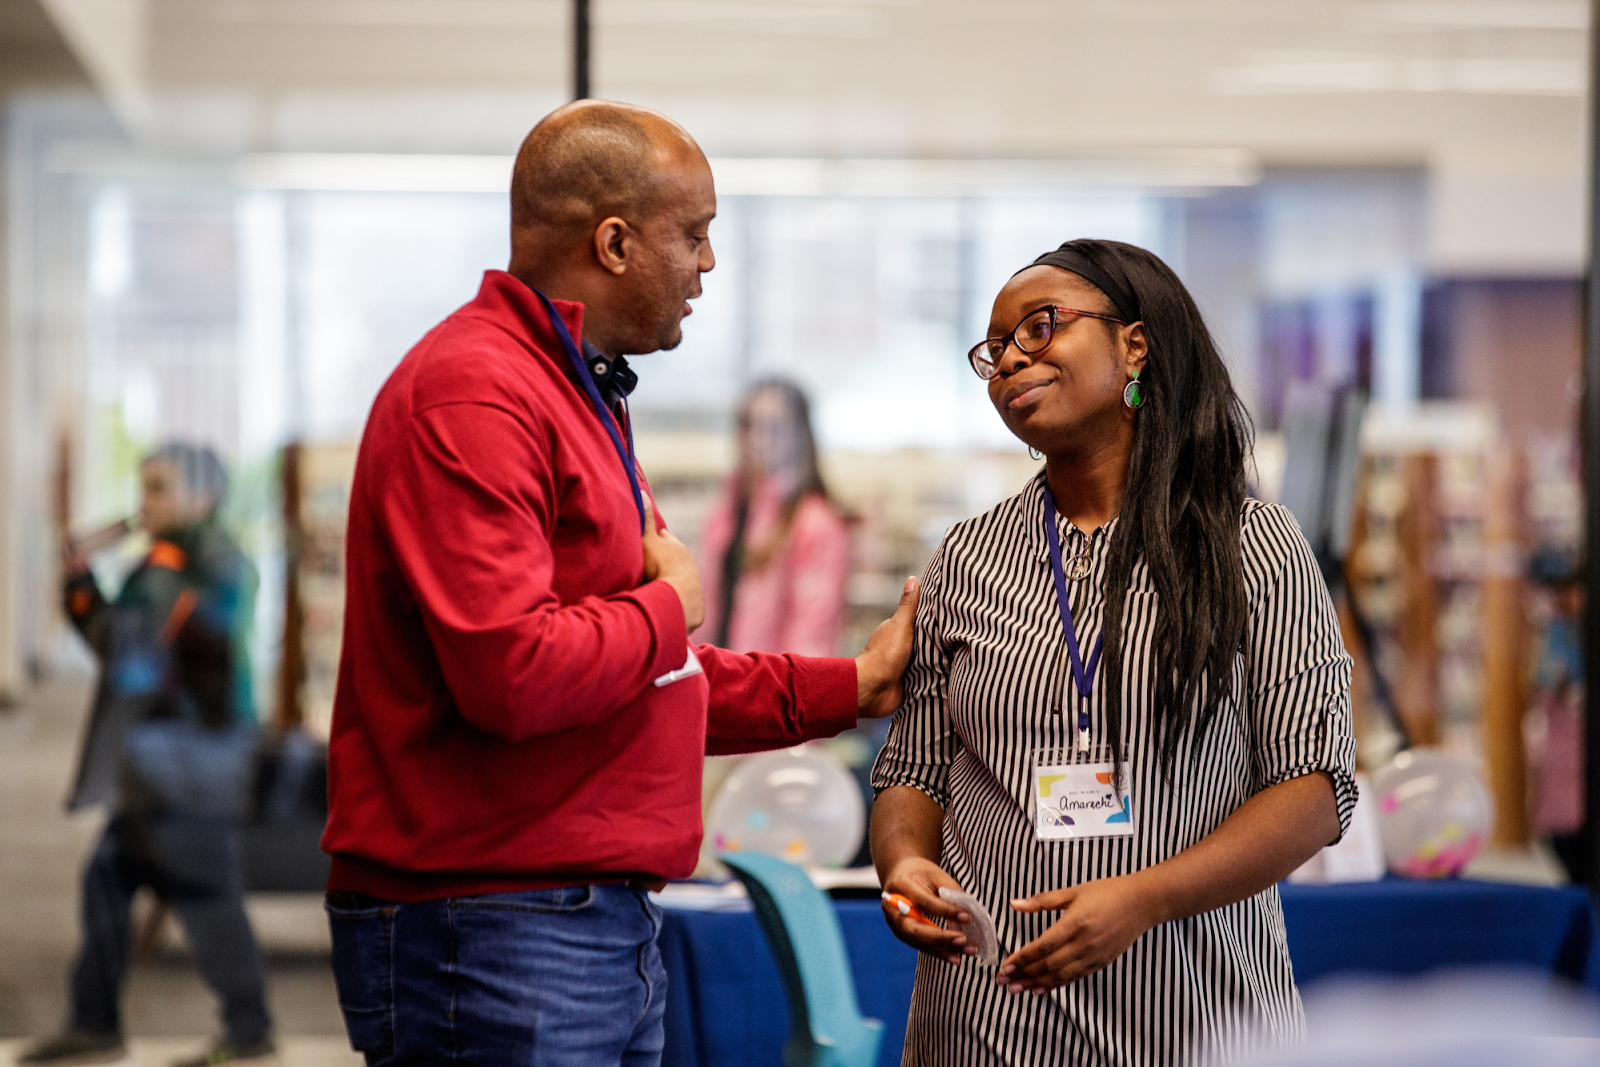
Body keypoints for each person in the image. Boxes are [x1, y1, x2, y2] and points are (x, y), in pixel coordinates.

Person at [319, 99, 918, 1067]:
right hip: (498, 926)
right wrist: (670, 600)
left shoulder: (574, 391)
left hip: (575, 920)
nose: (706, 265)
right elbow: (514, 672)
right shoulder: (477, 394)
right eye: (694, 235)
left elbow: (647, 674)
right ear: (614, 242)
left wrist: (851, 688)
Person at [870, 239, 1356, 1066]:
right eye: (994, 349)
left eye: (1040, 326)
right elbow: (912, 773)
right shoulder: (966, 556)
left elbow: (1313, 789)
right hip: (989, 1020)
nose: (1009, 361)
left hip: (1196, 1014)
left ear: (1135, 344)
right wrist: (905, 863)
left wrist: (1144, 898)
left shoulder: (1254, 546)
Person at [24, 443, 273, 1067]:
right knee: (107, 878)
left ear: (202, 496)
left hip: (194, 765)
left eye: (159, 488)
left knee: (204, 892)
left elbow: (133, 648)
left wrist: (93, 582)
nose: (146, 503)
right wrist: (84, 584)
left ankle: (249, 1033)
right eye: (145, 488)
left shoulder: (210, 562)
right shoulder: (176, 562)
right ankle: (95, 1019)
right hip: (158, 763)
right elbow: (119, 642)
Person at [697, 378, 851, 657]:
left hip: (769, 690)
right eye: (749, 425)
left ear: (800, 433)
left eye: (774, 426)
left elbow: (812, 637)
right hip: (718, 680)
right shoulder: (729, 509)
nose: (758, 438)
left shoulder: (816, 522)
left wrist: (779, 696)